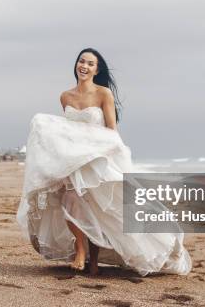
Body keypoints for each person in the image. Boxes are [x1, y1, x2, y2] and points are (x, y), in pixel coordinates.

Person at [16, 48, 191, 276]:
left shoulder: (103, 94)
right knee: (69, 200)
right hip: (71, 159)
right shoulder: (65, 96)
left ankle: (95, 260)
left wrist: (116, 158)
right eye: (81, 61)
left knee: (96, 209)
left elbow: (111, 130)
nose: (84, 66)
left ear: (97, 70)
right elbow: (66, 130)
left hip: (97, 159)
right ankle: (80, 248)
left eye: (90, 63)